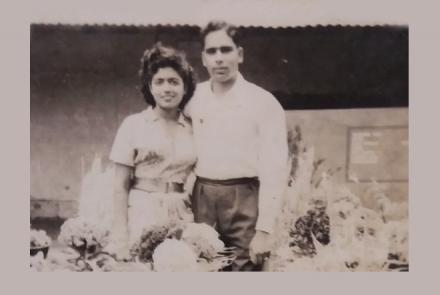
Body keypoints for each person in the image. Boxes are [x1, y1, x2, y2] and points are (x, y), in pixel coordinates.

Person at [184, 21, 289, 271]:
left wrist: (264, 229)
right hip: (203, 198)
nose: (219, 58)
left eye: (226, 50)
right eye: (212, 52)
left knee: (246, 270)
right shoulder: (192, 97)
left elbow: (275, 169)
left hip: (245, 199)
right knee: (202, 269)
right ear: (203, 58)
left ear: (239, 54)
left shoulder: (263, 101)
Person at [109, 43, 197, 257]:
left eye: (174, 82)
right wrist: (120, 235)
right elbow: (119, 187)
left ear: (185, 88)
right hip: (142, 209)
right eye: (159, 82)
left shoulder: (194, 127)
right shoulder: (134, 124)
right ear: (150, 86)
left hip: (182, 212)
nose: (167, 88)